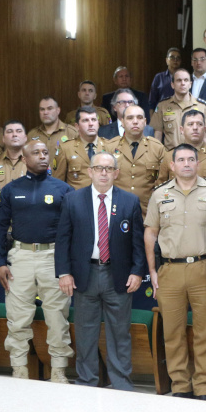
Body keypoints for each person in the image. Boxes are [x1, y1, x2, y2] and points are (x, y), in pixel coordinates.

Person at [55, 152, 145, 390]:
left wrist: (137, 271)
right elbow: (63, 240)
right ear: (90, 172)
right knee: (85, 334)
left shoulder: (130, 201)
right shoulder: (73, 200)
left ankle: (121, 384)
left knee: (120, 333)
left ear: (116, 173)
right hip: (84, 275)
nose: (104, 173)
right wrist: (64, 273)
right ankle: (87, 382)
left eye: (109, 168)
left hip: (119, 276)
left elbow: (137, 242)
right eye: (98, 168)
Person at [0, 141, 75, 382]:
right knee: (17, 317)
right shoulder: (10, 189)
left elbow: (72, 230)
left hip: (53, 257)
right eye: (36, 153)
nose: (42, 156)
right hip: (20, 257)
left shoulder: (63, 189)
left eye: (45, 152)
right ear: (24, 159)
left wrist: (67, 266)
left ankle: (58, 371)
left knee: (57, 317)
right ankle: (19, 370)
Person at [144, 144, 206, 400]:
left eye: (191, 159)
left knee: (204, 333)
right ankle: (180, 386)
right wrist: (152, 270)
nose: (186, 164)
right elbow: (150, 233)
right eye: (181, 160)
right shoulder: (159, 194)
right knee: (173, 333)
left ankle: (203, 388)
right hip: (170, 270)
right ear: (172, 165)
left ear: (198, 163)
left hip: (204, 268)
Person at [105, 104, 167, 215]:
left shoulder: (157, 148)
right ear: (122, 122)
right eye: (130, 118)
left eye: (139, 118)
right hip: (116, 210)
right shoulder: (109, 147)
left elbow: (164, 182)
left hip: (147, 212)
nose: (135, 121)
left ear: (145, 122)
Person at [151, 68, 206, 150]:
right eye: (179, 80)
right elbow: (158, 134)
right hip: (171, 154)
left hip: (195, 154)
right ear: (172, 85)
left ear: (190, 84)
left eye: (186, 80)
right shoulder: (162, 106)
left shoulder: (202, 106)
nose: (183, 83)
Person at [158, 109, 206, 184]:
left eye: (199, 124)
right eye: (190, 124)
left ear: (204, 129)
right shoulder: (169, 156)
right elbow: (161, 186)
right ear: (182, 130)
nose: (195, 128)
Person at [53, 107, 110, 190]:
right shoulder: (66, 149)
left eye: (93, 120)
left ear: (98, 124)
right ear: (77, 126)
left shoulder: (109, 146)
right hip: (76, 197)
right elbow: (58, 183)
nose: (91, 124)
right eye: (85, 120)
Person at [0, 121, 28, 186]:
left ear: (25, 138)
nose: (14, 135)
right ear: (3, 139)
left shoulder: (34, 164)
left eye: (19, 131)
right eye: (10, 131)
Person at [149, 48, 181, 113]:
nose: (175, 60)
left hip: (180, 113)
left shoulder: (185, 77)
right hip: (162, 113)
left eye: (178, 58)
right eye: (172, 57)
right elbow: (152, 101)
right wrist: (152, 117)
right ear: (166, 60)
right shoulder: (159, 77)